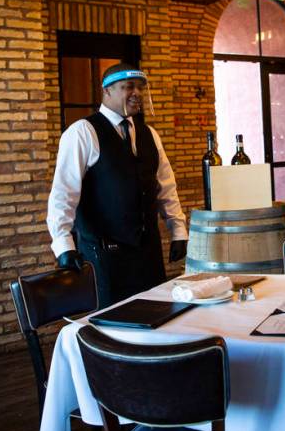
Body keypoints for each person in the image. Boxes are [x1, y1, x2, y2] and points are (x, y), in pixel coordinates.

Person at [46, 62, 188, 308]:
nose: (137, 93)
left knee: (155, 314)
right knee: (112, 326)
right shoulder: (82, 132)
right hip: (104, 254)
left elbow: (165, 187)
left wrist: (178, 230)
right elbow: (63, 193)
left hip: (147, 251)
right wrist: (63, 246)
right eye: (128, 87)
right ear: (107, 92)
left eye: (141, 88)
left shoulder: (149, 134)